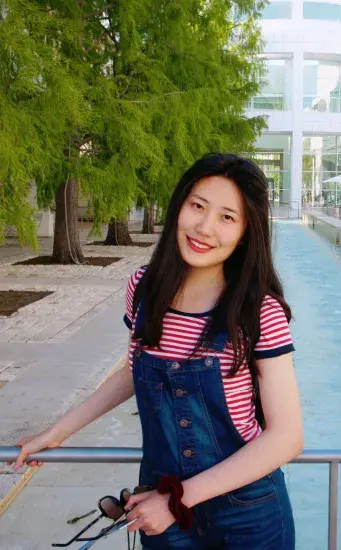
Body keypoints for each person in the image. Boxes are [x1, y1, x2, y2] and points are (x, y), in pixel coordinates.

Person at [11, 153, 303, 549]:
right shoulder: (144, 289)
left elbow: (286, 438)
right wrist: (58, 432)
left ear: (245, 232)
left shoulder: (257, 310)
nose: (204, 227)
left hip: (246, 511)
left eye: (226, 217)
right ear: (179, 204)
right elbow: (134, 372)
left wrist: (177, 500)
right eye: (197, 206)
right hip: (159, 509)